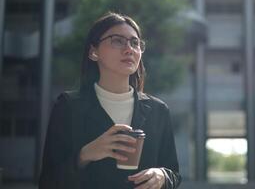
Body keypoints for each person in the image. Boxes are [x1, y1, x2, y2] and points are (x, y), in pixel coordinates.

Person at [39, 12, 181, 189]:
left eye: (135, 43)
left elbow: (173, 173)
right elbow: (49, 182)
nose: (129, 49)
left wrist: (162, 176)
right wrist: (85, 154)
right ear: (93, 52)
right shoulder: (69, 106)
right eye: (117, 40)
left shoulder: (158, 110)